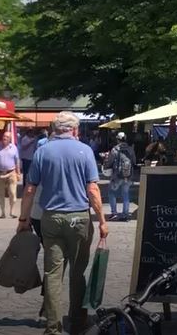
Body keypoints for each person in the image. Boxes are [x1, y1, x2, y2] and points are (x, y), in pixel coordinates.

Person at [18, 111, 109, 335]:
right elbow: (93, 190)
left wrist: (23, 219)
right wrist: (102, 221)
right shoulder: (84, 150)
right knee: (77, 273)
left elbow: (30, 189)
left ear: (54, 129)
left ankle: (53, 327)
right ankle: (77, 323)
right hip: (79, 217)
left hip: (51, 218)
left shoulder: (43, 151)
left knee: (52, 274)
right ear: (75, 130)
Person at [0, 130, 21, 218]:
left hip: (11, 173)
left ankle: (12, 211)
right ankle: (2, 212)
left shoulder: (14, 148)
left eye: (7, 137)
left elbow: (17, 161)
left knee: (12, 193)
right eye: (4, 136)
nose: (4, 138)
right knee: (0, 194)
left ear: (10, 139)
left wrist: (18, 173)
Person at [107, 132, 136, 221]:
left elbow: (110, 162)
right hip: (128, 176)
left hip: (117, 176)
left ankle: (114, 213)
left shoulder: (115, 149)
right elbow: (134, 161)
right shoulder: (130, 149)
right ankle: (125, 214)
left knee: (112, 193)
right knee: (125, 194)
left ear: (118, 139)